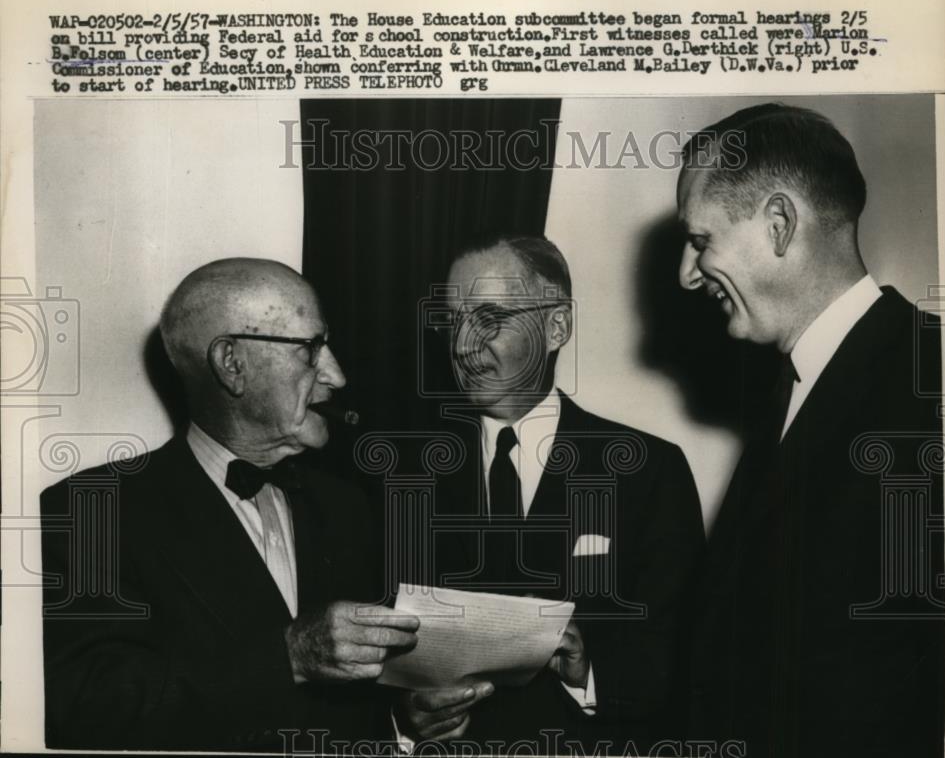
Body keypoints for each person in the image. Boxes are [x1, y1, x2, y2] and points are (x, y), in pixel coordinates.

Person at [40, 258, 419, 752]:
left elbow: (359, 704)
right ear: (231, 364)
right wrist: (287, 658)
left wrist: (407, 718)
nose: (337, 376)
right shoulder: (94, 512)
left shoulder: (347, 506)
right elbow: (86, 709)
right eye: (310, 349)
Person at [677, 103, 945, 756]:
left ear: (778, 224)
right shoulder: (786, 398)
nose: (685, 275)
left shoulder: (935, 383)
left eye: (700, 241)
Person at [392, 236, 706, 753]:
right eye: (452, 320)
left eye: (490, 317)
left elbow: (687, 656)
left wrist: (590, 671)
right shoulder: (403, 475)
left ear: (556, 326)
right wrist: (406, 719)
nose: (463, 346)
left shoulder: (648, 471)